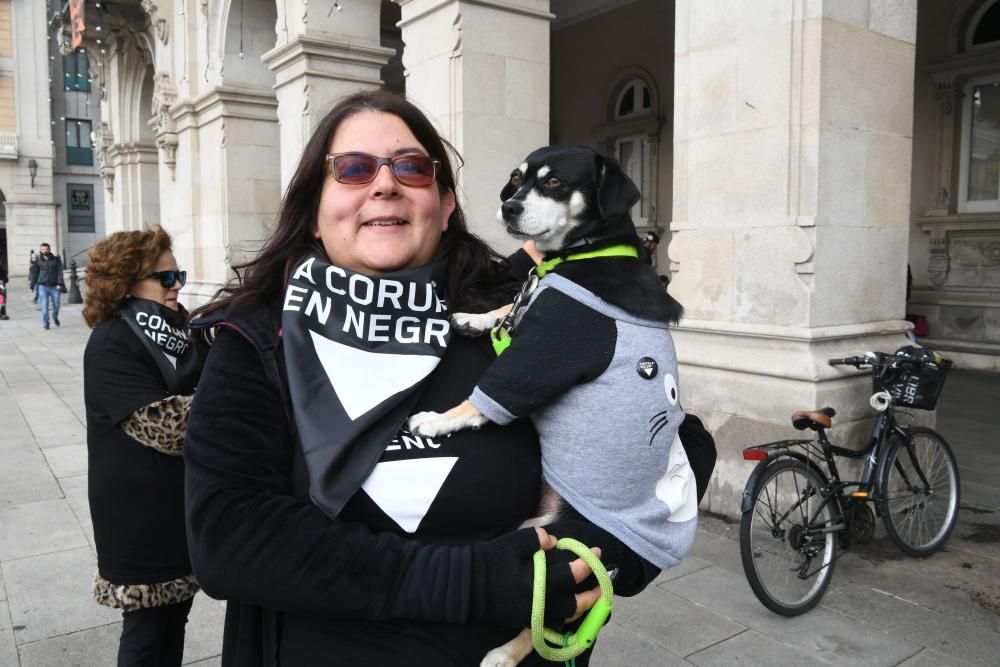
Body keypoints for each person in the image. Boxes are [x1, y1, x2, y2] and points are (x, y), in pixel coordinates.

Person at [184, 90, 658, 666]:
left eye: (410, 167)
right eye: (353, 169)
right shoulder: (258, 339)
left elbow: (668, 436)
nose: (384, 184)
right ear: (315, 209)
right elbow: (229, 538)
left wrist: (613, 557)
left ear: (446, 203)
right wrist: (469, 581)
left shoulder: (524, 316)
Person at [82, 227, 202, 667]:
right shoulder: (113, 342)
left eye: (179, 275)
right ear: (126, 282)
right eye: (166, 278)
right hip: (138, 515)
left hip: (174, 504)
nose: (178, 286)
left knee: (174, 619)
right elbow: (165, 426)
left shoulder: (176, 335)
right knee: (148, 630)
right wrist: (236, 395)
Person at [29, 242, 65, 329]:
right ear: (40, 250)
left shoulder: (56, 259)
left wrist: (59, 283)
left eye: (46, 249)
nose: (45, 251)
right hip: (42, 286)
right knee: (44, 307)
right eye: (43, 249)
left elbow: (60, 272)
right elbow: (35, 273)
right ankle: (46, 323)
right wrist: (32, 285)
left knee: (56, 305)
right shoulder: (38, 260)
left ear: (49, 250)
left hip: (54, 286)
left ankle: (54, 316)